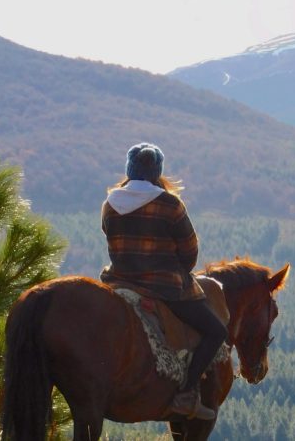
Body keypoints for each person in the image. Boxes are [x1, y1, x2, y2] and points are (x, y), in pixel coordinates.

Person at [100, 142, 227, 421]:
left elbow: (112, 242)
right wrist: (176, 272)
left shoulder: (110, 204)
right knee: (216, 332)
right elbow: (190, 251)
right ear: (157, 172)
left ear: (129, 170)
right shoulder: (170, 205)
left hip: (119, 282)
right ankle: (185, 393)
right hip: (164, 287)